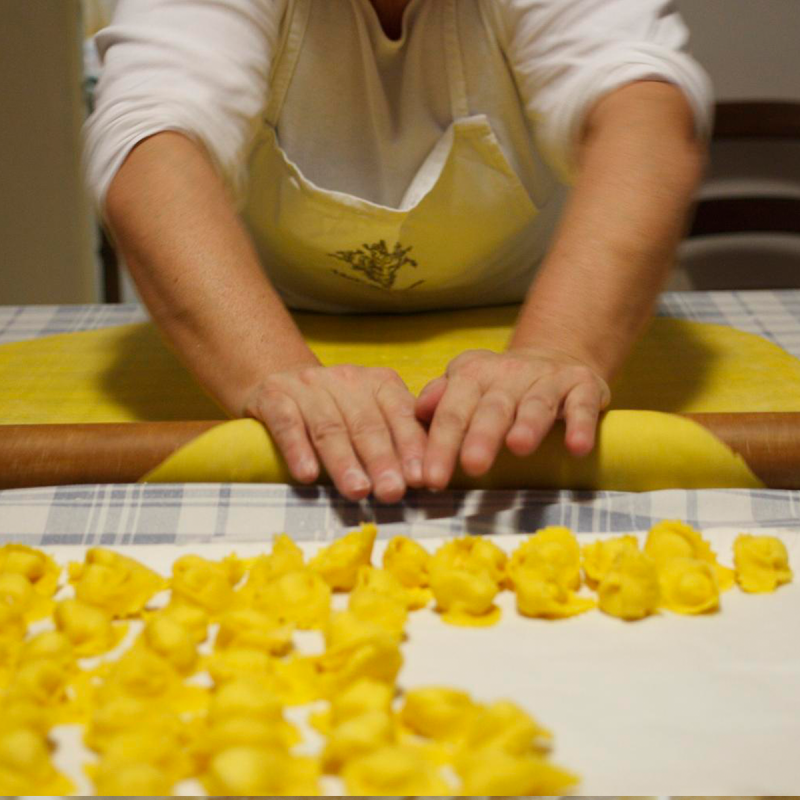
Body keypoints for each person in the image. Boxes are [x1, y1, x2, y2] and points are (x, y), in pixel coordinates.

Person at [84, 0, 711, 503]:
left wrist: (560, 348)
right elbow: (152, 140)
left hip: (554, 310)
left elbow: (644, 117)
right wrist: (273, 372)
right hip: (271, 321)